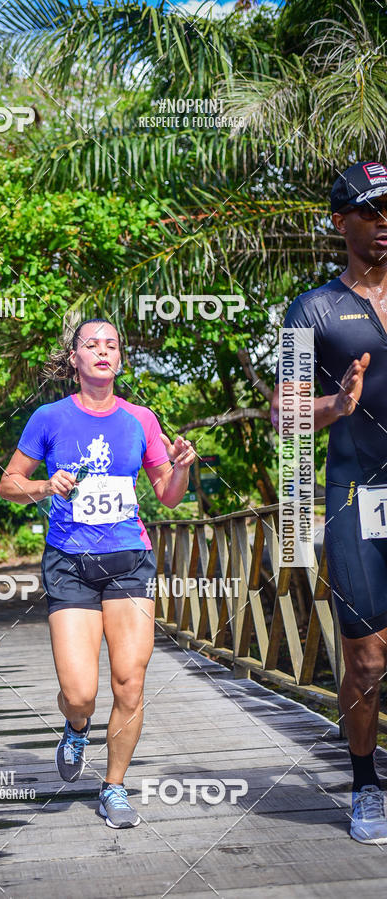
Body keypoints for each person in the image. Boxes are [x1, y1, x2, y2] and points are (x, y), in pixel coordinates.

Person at [0, 317, 195, 828]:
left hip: (129, 559)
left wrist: (183, 467)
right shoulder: (49, 417)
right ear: (75, 360)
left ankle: (114, 787)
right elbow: (8, 484)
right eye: (92, 345)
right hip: (70, 563)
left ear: (120, 359)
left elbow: (168, 494)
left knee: (130, 682)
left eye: (111, 345)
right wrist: (45, 487)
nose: (103, 351)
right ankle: (75, 725)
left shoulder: (141, 420)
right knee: (82, 692)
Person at [271, 161, 387, 844]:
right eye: (370, 211)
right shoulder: (311, 309)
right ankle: (366, 782)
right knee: (367, 658)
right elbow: (284, 413)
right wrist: (335, 403)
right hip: (357, 494)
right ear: (339, 221)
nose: (383, 223)